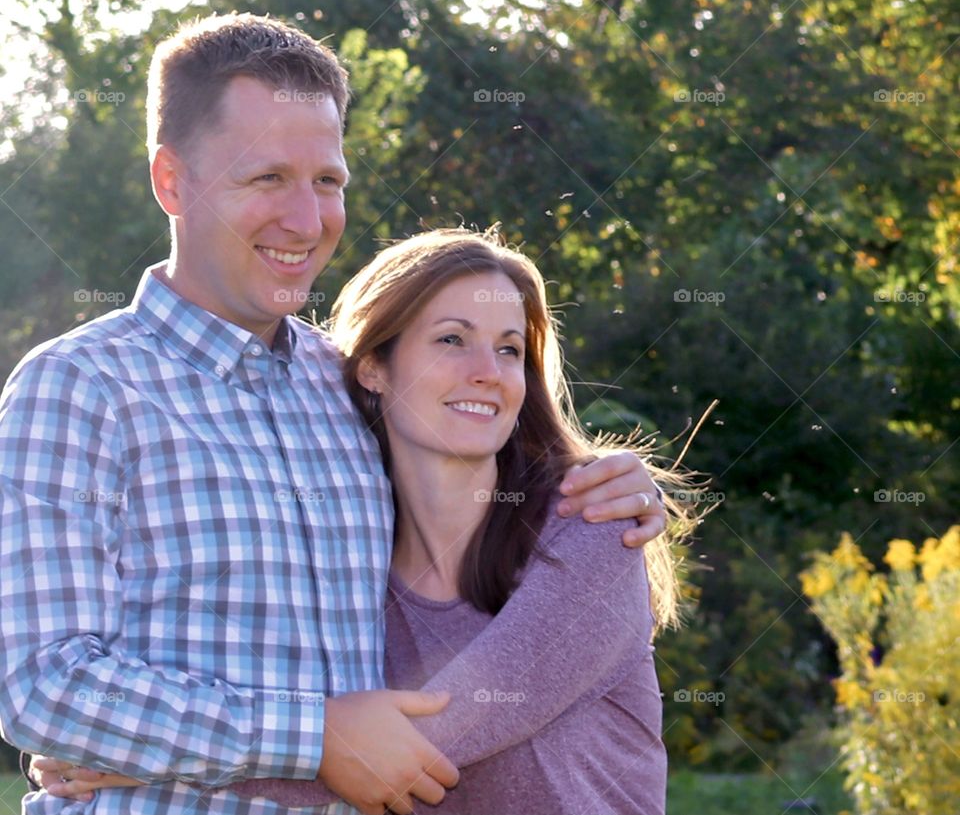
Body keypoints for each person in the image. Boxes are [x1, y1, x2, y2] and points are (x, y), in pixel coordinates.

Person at [0, 12, 666, 815]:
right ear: (171, 181)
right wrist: (310, 735)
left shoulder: (350, 386)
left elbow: (479, 473)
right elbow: (42, 684)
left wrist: (613, 485)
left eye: (328, 181)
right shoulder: (80, 388)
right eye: (266, 178)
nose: (308, 221)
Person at [35, 229, 700, 814]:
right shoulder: (350, 574)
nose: (487, 373)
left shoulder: (591, 529)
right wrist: (123, 729)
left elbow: (417, 745)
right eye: (451, 340)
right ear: (376, 368)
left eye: (508, 350)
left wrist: (135, 755)